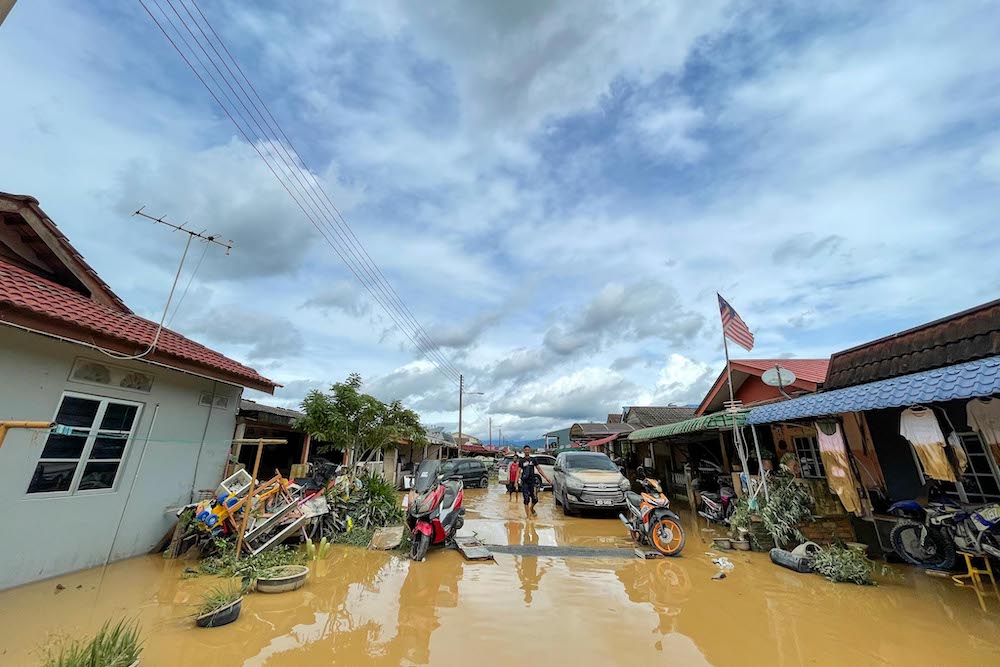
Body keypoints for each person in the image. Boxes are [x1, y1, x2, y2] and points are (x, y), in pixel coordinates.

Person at [518, 445, 550, 518]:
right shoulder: (521, 461)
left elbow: (539, 469)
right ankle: (528, 516)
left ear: (530, 451)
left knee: (535, 499)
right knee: (526, 499)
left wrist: (546, 478)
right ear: (524, 451)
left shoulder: (533, 460)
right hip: (525, 482)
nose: (527, 451)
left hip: (532, 482)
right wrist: (516, 482)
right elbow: (518, 471)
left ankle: (531, 508)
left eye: (528, 450)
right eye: (525, 450)